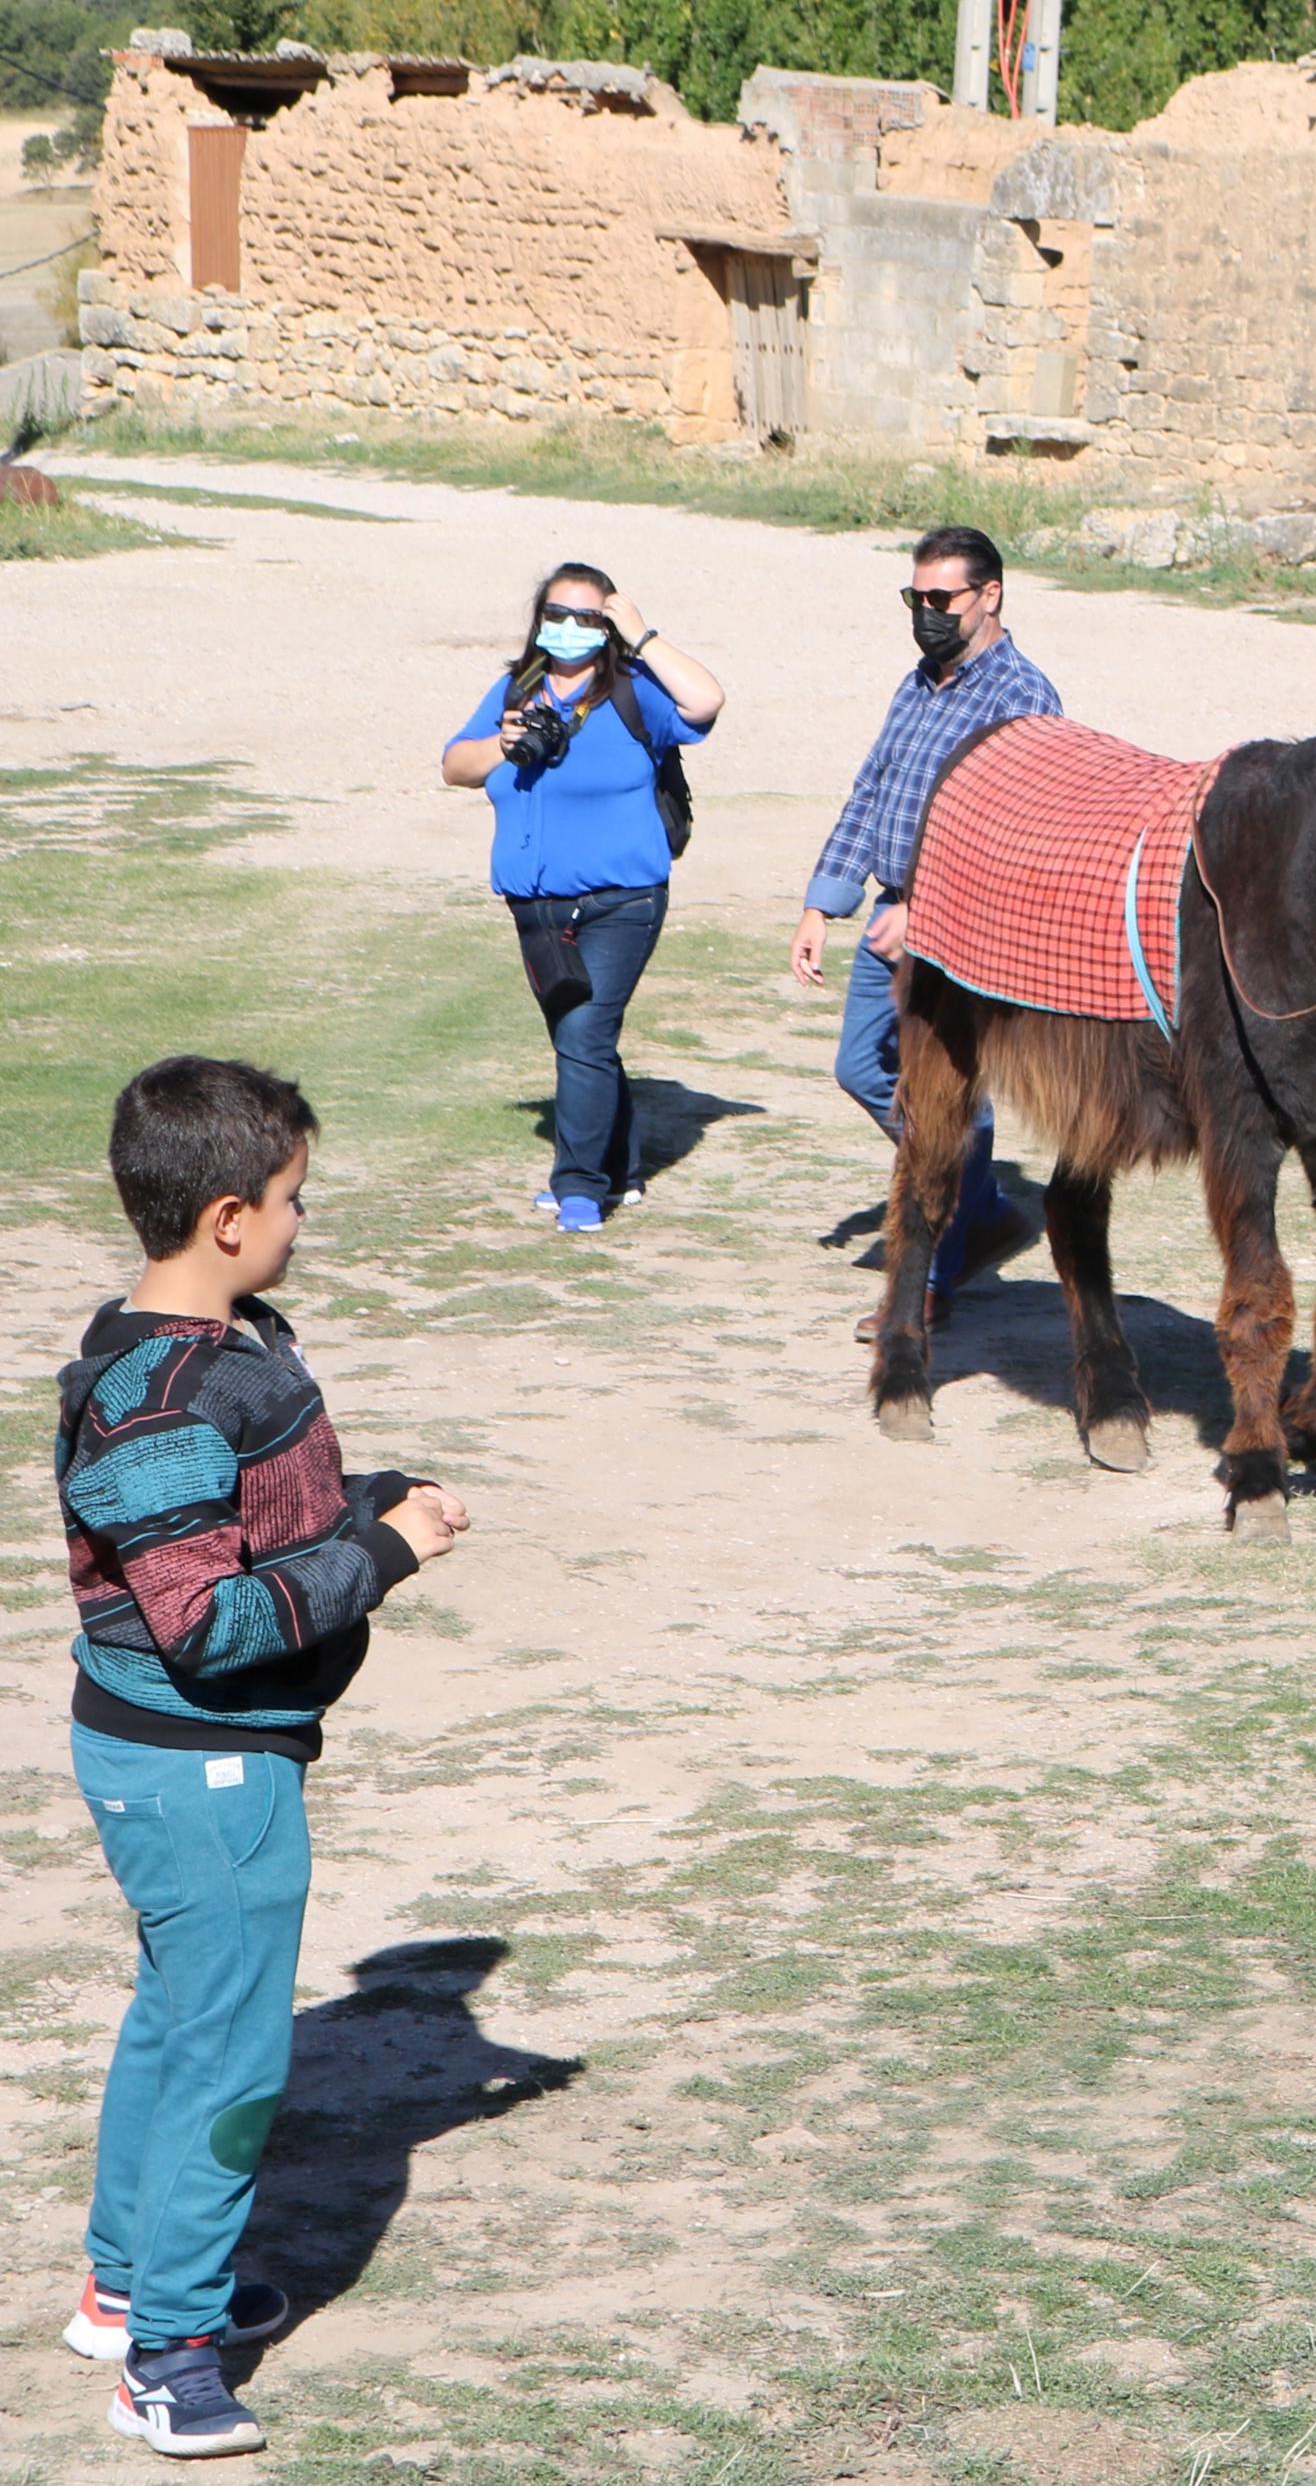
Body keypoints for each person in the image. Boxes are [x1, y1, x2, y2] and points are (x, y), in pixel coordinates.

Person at [55, 1059, 470, 2459]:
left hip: (188, 1765)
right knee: (230, 2054)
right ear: (227, 1213)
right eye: (293, 1199)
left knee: (177, 2018)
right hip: (204, 1772)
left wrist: (358, 1500)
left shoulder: (215, 1345)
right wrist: (383, 1552)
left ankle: (125, 2286)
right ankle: (168, 2353)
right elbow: (206, 1617)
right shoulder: (163, 1396)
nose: (305, 1218)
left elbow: (247, 1520)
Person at [792, 527, 1060, 1313]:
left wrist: (928, 910)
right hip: (891, 914)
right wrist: (822, 903)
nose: (926, 613)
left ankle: (932, 1273)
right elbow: (871, 790)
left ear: (990, 595)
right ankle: (978, 1207)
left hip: (963, 925)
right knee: (861, 1067)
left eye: (941, 598)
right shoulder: (918, 683)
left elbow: (1019, 831)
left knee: (940, 1096)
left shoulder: (1024, 695)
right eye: (916, 598)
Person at [439, 561, 728, 1234]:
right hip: (536, 909)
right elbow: (454, 764)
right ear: (540, 618)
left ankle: (577, 1187)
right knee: (583, 1042)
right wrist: (501, 745)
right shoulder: (516, 689)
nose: (569, 628)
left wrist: (643, 635)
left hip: (621, 902)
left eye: (587, 617)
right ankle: (622, 1167)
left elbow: (706, 700)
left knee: (584, 1034)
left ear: (608, 625)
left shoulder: (634, 691)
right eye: (557, 614)